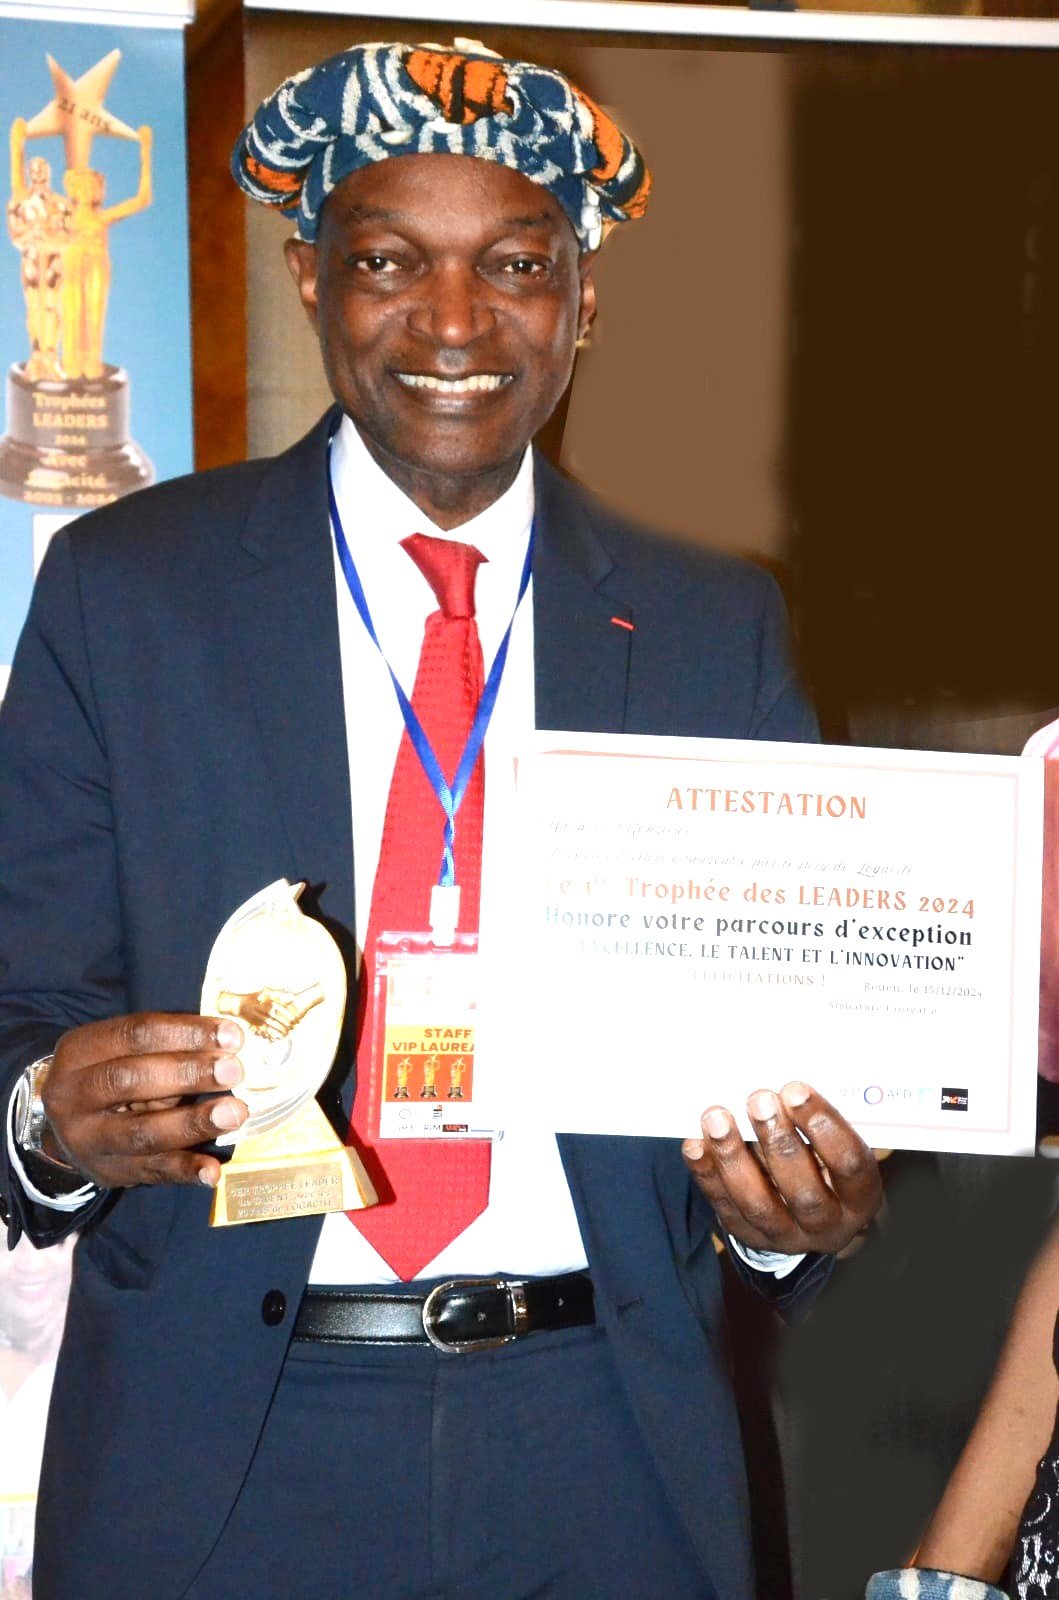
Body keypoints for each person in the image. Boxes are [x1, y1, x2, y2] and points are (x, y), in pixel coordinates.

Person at [0, 39, 883, 1600]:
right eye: (390, 261)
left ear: (583, 298)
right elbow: (23, 1004)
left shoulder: (711, 629)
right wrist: (48, 1121)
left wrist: (786, 1214)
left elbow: (797, 1040)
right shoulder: (125, 595)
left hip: (602, 1442)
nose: (458, 321)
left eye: (518, 264)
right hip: (228, 1447)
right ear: (310, 277)